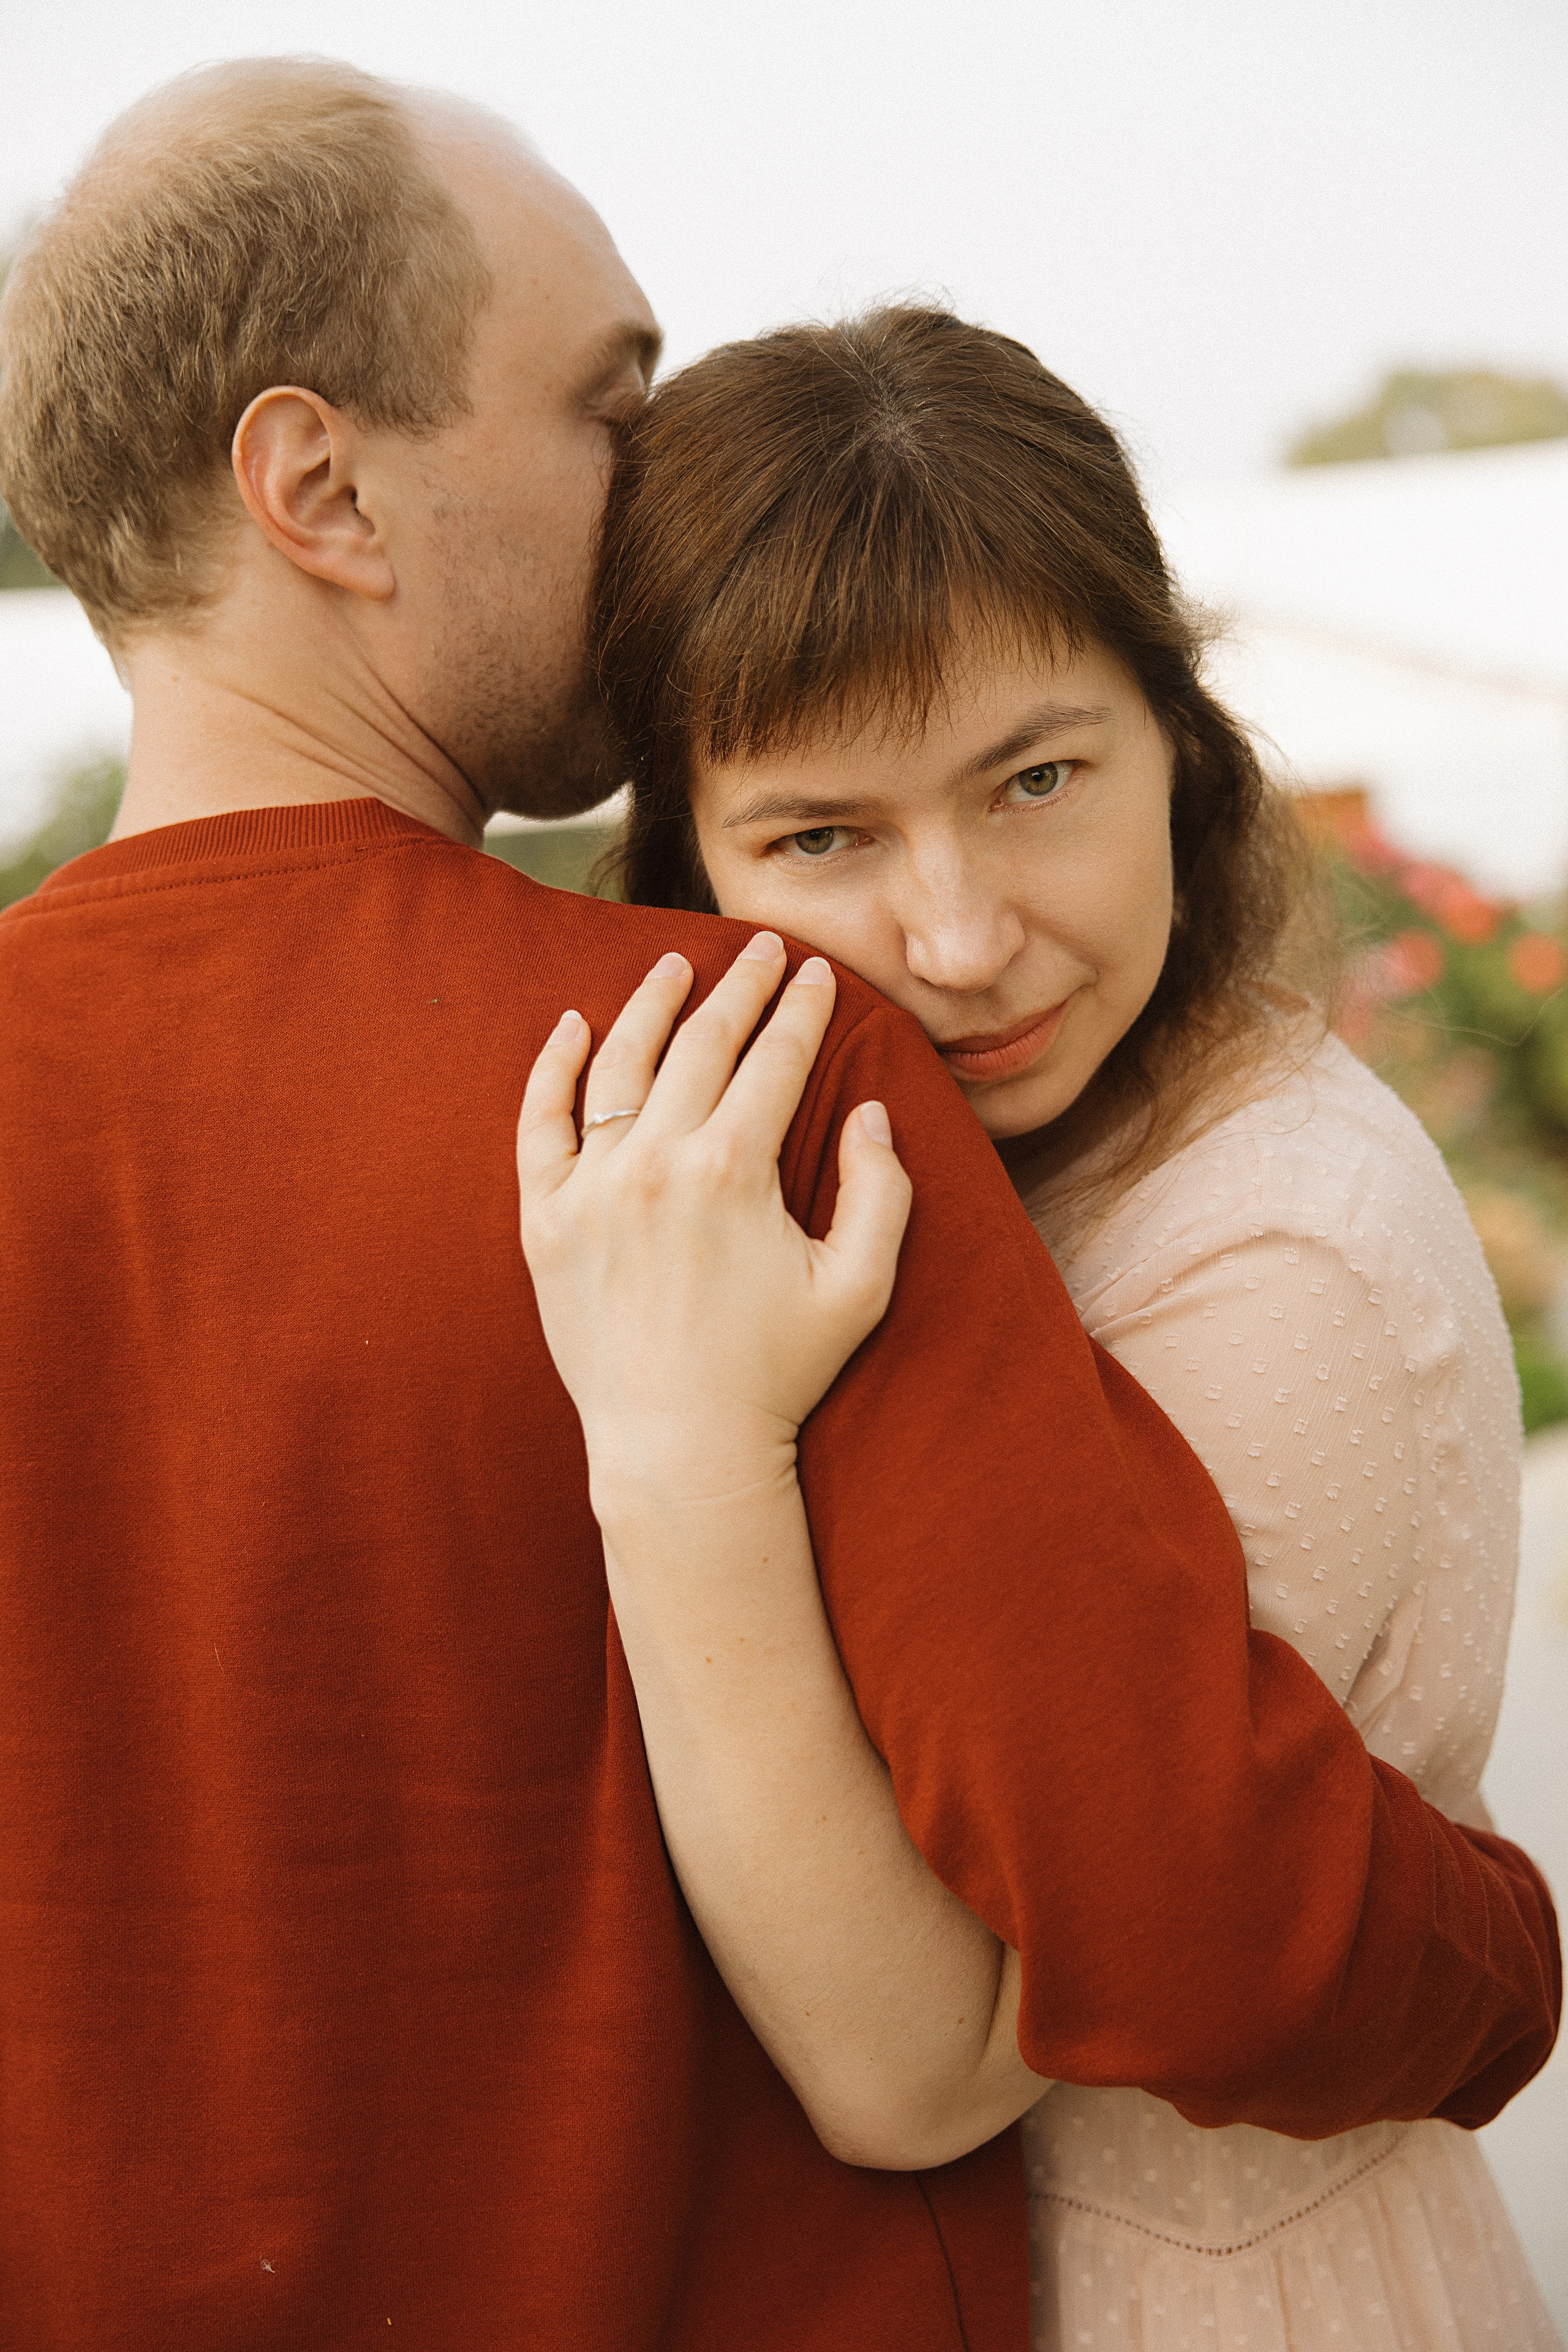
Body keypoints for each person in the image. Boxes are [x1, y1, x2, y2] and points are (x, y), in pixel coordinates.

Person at [0, 59, 1554, 2352]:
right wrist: (1502, 1957)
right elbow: (1198, 1908)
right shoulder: (726, 1077)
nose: (663, 485)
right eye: (609, 405)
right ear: (322, 486)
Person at [514, 306, 1565, 2348]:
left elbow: (923, 2065)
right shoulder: (897, 1173)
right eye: (824, 838)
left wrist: (678, 1449)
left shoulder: (1275, 1259)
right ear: (689, 865)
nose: (965, 936)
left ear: (1182, 741)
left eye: (1038, 780)